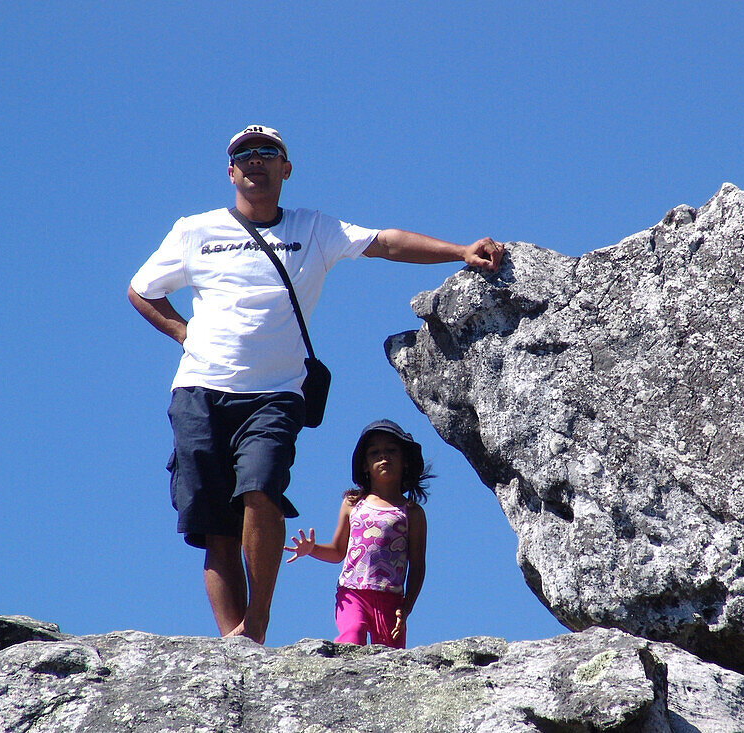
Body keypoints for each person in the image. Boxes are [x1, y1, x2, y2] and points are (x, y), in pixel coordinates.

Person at [127, 124, 502, 644]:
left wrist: (459, 250)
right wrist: (186, 335)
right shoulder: (195, 230)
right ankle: (233, 645)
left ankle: (254, 628)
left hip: (277, 393)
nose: (255, 160)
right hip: (199, 390)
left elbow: (386, 244)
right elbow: (142, 289)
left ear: (286, 168)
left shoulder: (315, 229)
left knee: (261, 491)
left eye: (268, 152)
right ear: (230, 171)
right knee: (214, 526)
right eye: (244, 154)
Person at [284, 419, 428, 648]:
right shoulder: (353, 503)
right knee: (352, 635)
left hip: (391, 598)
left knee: (390, 656)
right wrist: (312, 549)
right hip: (352, 592)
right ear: (364, 465)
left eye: (391, 451)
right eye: (374, 453)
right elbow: (338, 551)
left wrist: (406, 607)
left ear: (405, 461)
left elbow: (418, 565)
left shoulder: (412, 513)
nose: (384, 457)